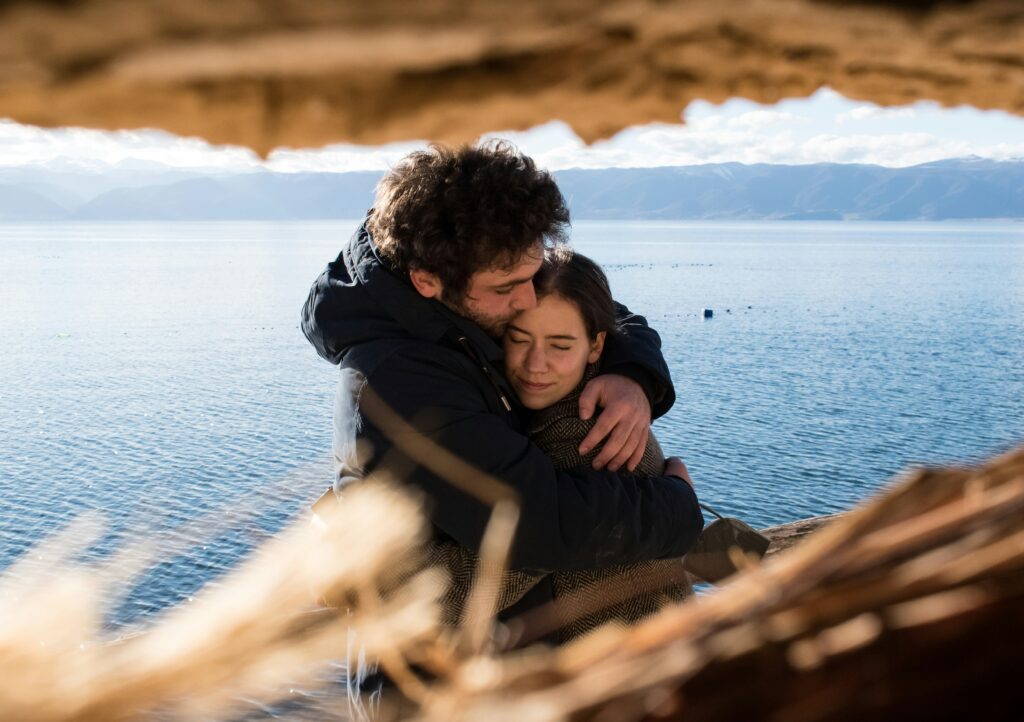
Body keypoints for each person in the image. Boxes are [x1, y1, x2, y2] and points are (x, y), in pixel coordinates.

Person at [301, 141, 703, 711]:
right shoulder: (400, 379)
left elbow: (596, 311)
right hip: (431, 689)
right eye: (507, 289)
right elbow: (537, 523)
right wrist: (676, 508)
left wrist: (632, 375)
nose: (528, 299)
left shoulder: (464, 302)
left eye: (532, 272)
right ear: (426, 280)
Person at [431, 245, 694, 643]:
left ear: (597, 346)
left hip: (629, 682)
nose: (536, 365)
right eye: (519, 339)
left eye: (559, 345)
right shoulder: (566, 407)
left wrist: (348, 566)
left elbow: (457, 593)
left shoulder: (588, 441)